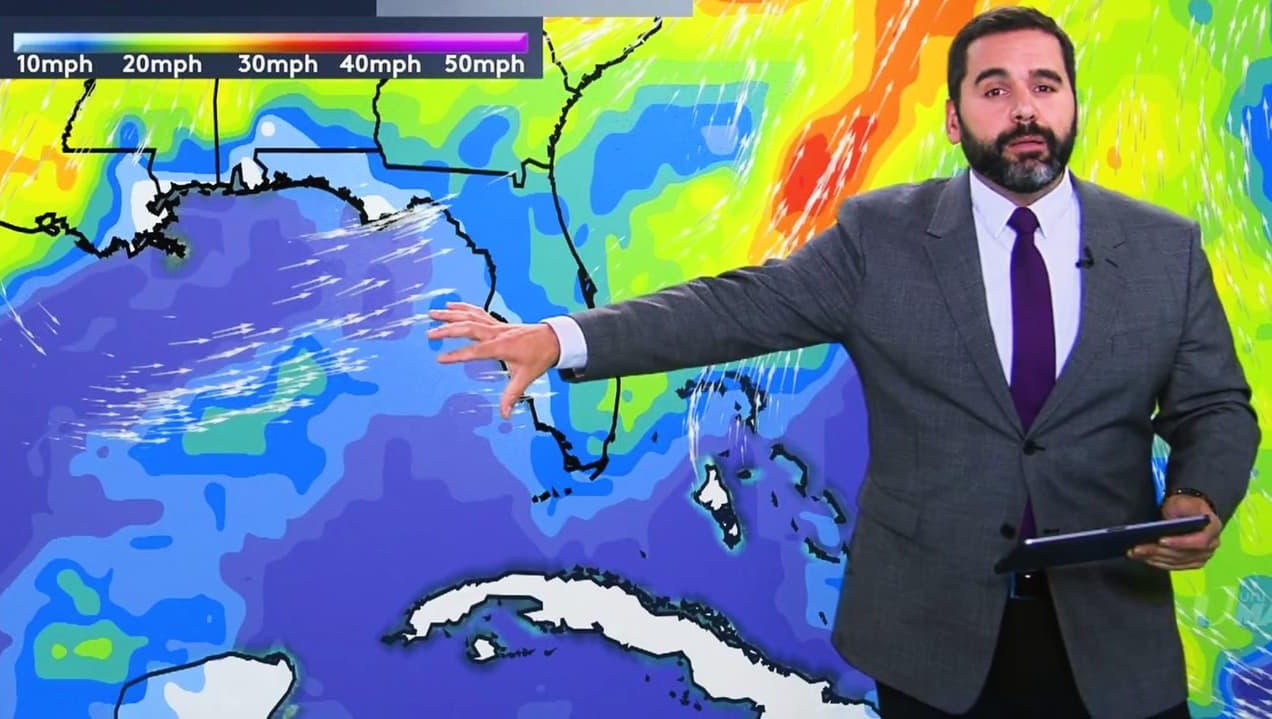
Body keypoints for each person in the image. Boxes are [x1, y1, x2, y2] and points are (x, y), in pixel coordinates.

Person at [427, 6, 1259, 718]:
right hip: (932, 642)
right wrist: (562, 338)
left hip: (1113, 640)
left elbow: (1216, 406)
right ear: (952, 117)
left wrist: (1200, 494)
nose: (1024, 109)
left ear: (1074, 102)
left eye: (1045, 85)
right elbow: (735, 308)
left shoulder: (1165, 249)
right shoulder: (881, 238)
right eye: (994, 89)